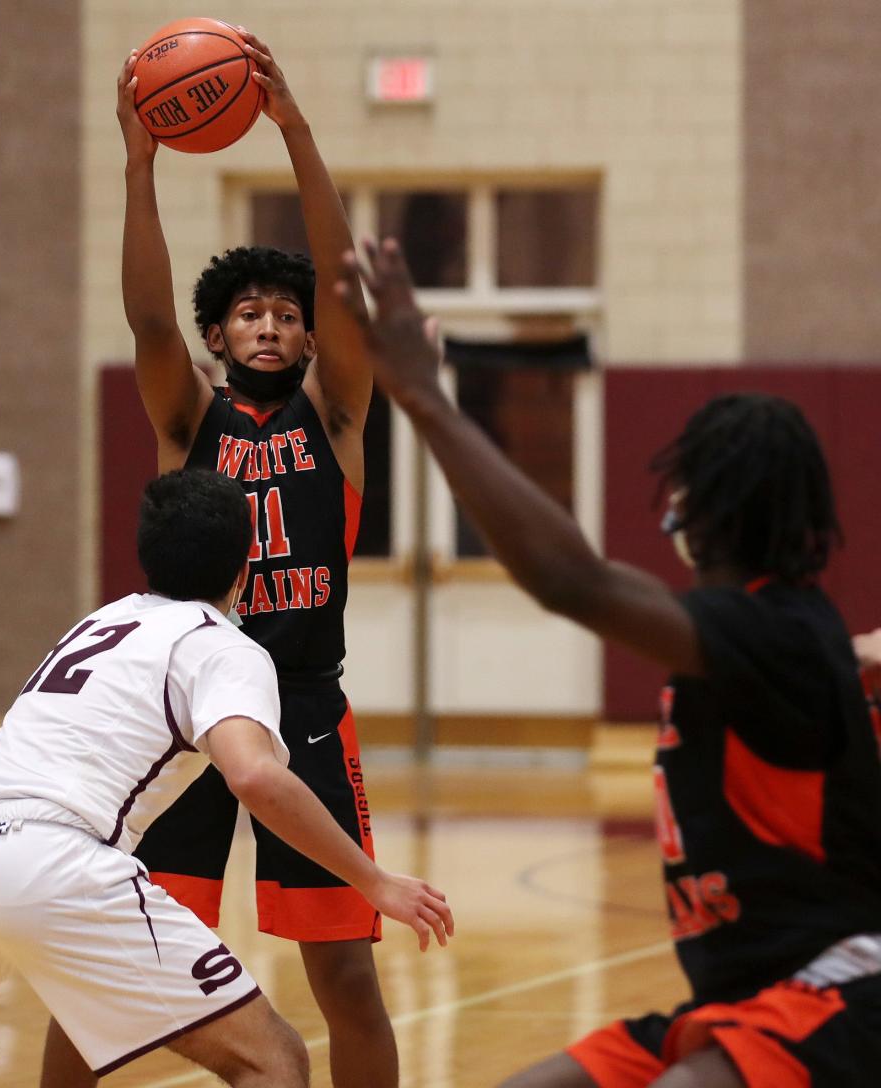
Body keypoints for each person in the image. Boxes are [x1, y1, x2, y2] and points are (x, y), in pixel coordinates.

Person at [334, 238, 881, 1088]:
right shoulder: (773, 637)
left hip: (839, 987)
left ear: (703, 503)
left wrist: (425, 398)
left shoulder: (772, 632)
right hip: (735, 995)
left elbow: (571, 581)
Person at [42, 30, 394, 1088]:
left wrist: (294, 129)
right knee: (109, 973)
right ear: (219, 334)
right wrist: (139, 164)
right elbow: (147, 314)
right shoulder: (188, 416)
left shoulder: (336, 418)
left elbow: (344, 284)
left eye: (289, 315)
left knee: (343, 976)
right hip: (183, 714)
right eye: (252, 313)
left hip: (304, 714)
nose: (275, 325)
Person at [0, 469, 452, 1088]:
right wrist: (374, 881)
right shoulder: (222, 646)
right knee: (272, 1060)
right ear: (243, 570)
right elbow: (255, 777)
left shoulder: (98, 623)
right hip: (52, 860)